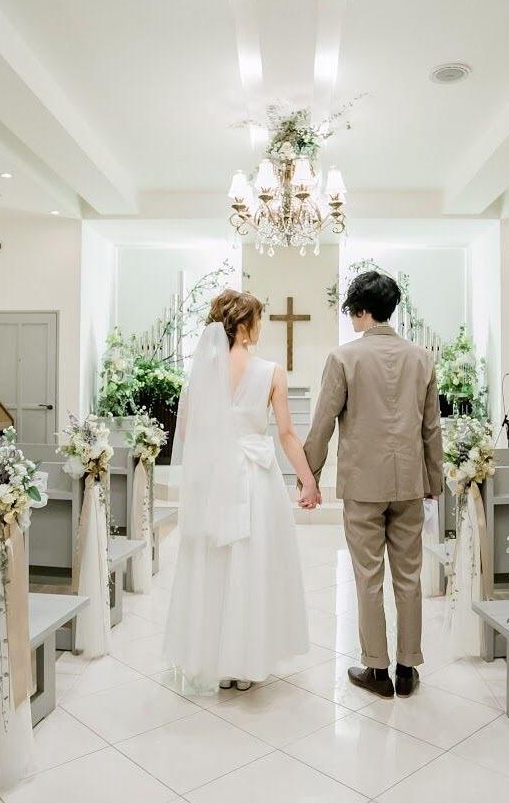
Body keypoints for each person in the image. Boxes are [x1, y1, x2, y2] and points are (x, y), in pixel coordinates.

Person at [163, 289, 317, 691]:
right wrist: (308, 479)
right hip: (256, 478)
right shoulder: (271, 372)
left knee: (214, 563)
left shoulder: (203, 371)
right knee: (252, 563)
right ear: (246, 324)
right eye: (258, 319)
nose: (261, 326)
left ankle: (214, 659)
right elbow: (286, 434)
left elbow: (187, 432)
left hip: (214, 478)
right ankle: (245, 664)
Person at [303, 271, 443, 698]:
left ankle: (377, 670)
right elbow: (432, 428)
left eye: (352, 311)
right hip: (409, 483)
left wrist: (309, 476)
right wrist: (434, 480)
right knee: (409, 576)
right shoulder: (422, 358)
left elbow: (323, 423)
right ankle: (408, 667)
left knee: (368, 577)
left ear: (362, 311)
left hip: (363, 485)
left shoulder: (344, 358)